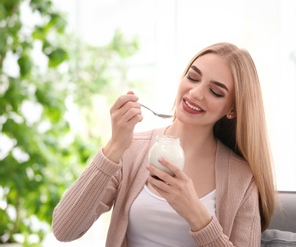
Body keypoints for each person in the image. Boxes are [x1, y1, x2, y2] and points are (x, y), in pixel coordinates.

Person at [52, 42, 276, 246]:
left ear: (232, 109)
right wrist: (114, 147)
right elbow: (64, 229)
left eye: (215, 91)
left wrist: (195, 212)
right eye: (193, 78)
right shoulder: (131, 151)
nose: (195, 93)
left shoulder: (242, 178)